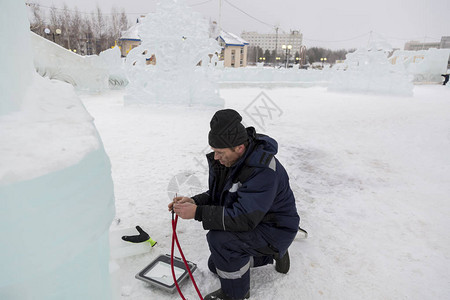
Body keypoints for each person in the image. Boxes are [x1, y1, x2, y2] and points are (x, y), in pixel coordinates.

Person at [169, 109, 300, 300]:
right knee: (216, 264)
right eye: (214, 151)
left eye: (219, 152)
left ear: (239, 147)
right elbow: (222, 196)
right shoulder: (232, 160)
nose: (215, 157)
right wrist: (194, 201)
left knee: (220, 241)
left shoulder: (262, 171)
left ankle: (236, 294)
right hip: (258, 220)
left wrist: (198, 212)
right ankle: (272, 255)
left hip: (275, 228)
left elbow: (244, 218)